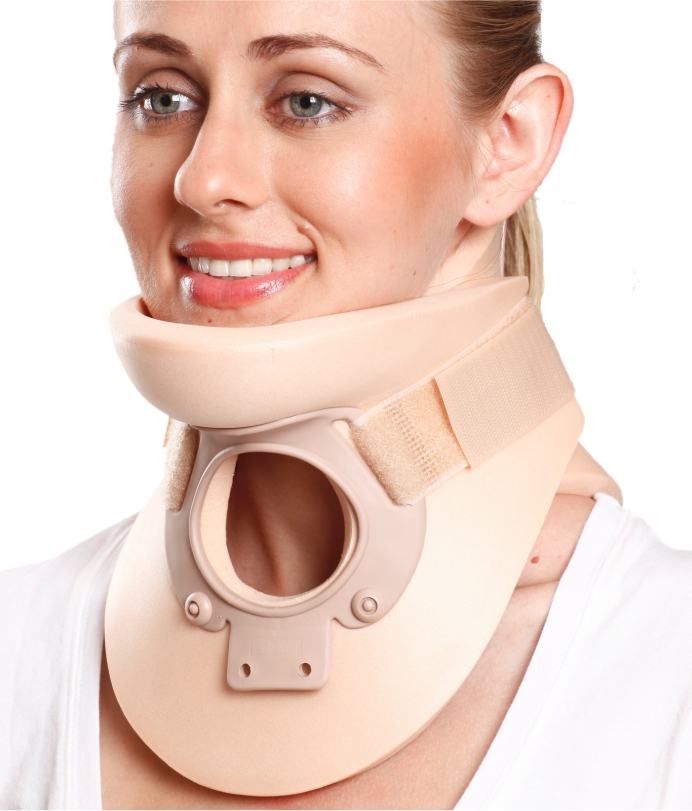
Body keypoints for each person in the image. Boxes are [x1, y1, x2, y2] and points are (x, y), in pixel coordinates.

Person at [2, 2, 692, 809]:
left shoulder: (666, 674)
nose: (204, 179)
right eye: (162, 97)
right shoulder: (18, 654)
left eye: (307, 101)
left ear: (508, 142)